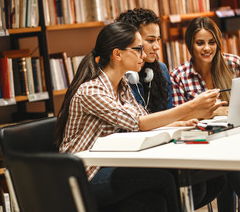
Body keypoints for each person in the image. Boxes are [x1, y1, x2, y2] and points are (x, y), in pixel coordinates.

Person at [55, 22, 225, 211]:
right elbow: (139, 123)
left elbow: (142, 119)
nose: (143, 56)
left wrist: (180, 122)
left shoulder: (122, 85)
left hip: (108, 165)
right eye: (138, 49)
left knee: (198, 180)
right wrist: (191, 106)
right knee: (164, 179)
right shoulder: (92, 91)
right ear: (117, 54)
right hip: (84, 176)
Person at [170, 16, 240, 212]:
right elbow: (182, 117)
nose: (207, 48)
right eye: (200, 43)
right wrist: (219, 111)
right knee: (225, 154)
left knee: (227, 152)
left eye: (212, 42)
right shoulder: (179, 76)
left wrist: (208, 112)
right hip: (199, 144)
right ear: (190, 45)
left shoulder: (234, 64)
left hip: (238, 138)